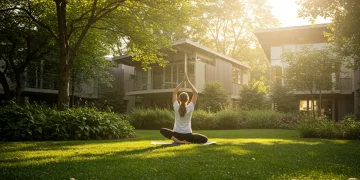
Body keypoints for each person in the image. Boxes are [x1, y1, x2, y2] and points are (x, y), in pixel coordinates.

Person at [160, 72, 208, 144]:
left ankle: (179, 141)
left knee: (162, 130)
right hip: (188, 135)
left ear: (179, 99)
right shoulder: (190, 107)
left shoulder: (176, 106)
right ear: (188, 100)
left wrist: (182, 82)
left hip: (176, 135)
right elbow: (195, 93)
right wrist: (188, 81)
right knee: (204, 139)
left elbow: (174, 92)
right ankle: (187, 141)